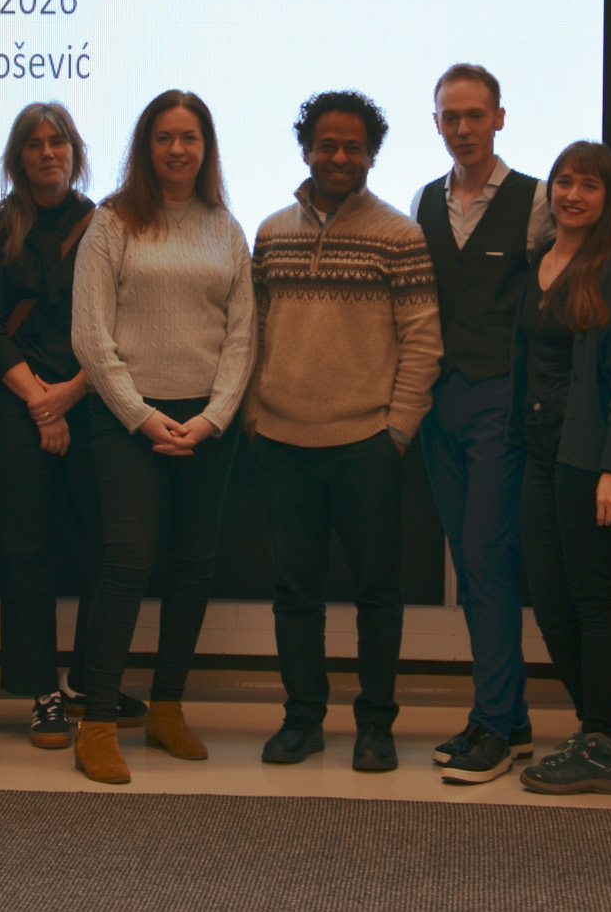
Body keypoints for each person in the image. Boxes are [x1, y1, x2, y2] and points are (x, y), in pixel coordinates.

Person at [249, 92, 441, 773]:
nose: (338, 157)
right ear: (306, 149)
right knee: (294, 595)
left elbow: (423, 342)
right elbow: (254, 332)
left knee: (377, 595)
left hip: (367, 445)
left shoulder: (399, 235)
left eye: (353, 147)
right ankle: (302, 720)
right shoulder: (271, 233)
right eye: (326, 145)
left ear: (371, 155)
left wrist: (397, 430)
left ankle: (376, 726)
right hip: (282, 442)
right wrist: (254, 415)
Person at [68, 90, 255, 784]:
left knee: (193, 564)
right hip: (128, 422)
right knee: (126, 562)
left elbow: (242, 335)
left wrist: (213, 416)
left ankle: (168, 707)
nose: (178, 150)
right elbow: (90, 334)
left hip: (206, 425)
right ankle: (97, 722)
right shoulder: (113, 222)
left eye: (190, 138)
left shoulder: (224, 228)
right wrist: (140, 414)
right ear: (146, 147)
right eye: (164, 137)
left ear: (206, 148)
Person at [0, 102, 137, 748]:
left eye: (58, 142)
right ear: (19, 157)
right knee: (27, 551)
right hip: (15, 404)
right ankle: (41, 692)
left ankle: (88, 680)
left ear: (75, 152)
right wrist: (39, 402)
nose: (48, 153)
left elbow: (120, 323)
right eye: (35, 144)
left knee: (104, 548)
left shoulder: (106, 225)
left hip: (92, 400)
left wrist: (67, 396)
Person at [509, 142, 611, 794]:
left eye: (589, 185)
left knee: (592, 601)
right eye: (564, 182)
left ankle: (601, 739)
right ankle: (600, 732)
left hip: (589, 458)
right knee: (550, 602)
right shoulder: (540, 260)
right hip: (540, 456)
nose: (573, 195)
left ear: (608, 197)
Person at [412, 64, 553, 780]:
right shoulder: (423, 201)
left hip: (502, 398)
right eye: (450, 117)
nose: (463, 129)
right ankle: (510, 717)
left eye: (475, 115)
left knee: (488, 558)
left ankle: (494, 725)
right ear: (436, 122)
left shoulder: (539, 201)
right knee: (470, 566)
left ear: (499, 117)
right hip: (442, 401)